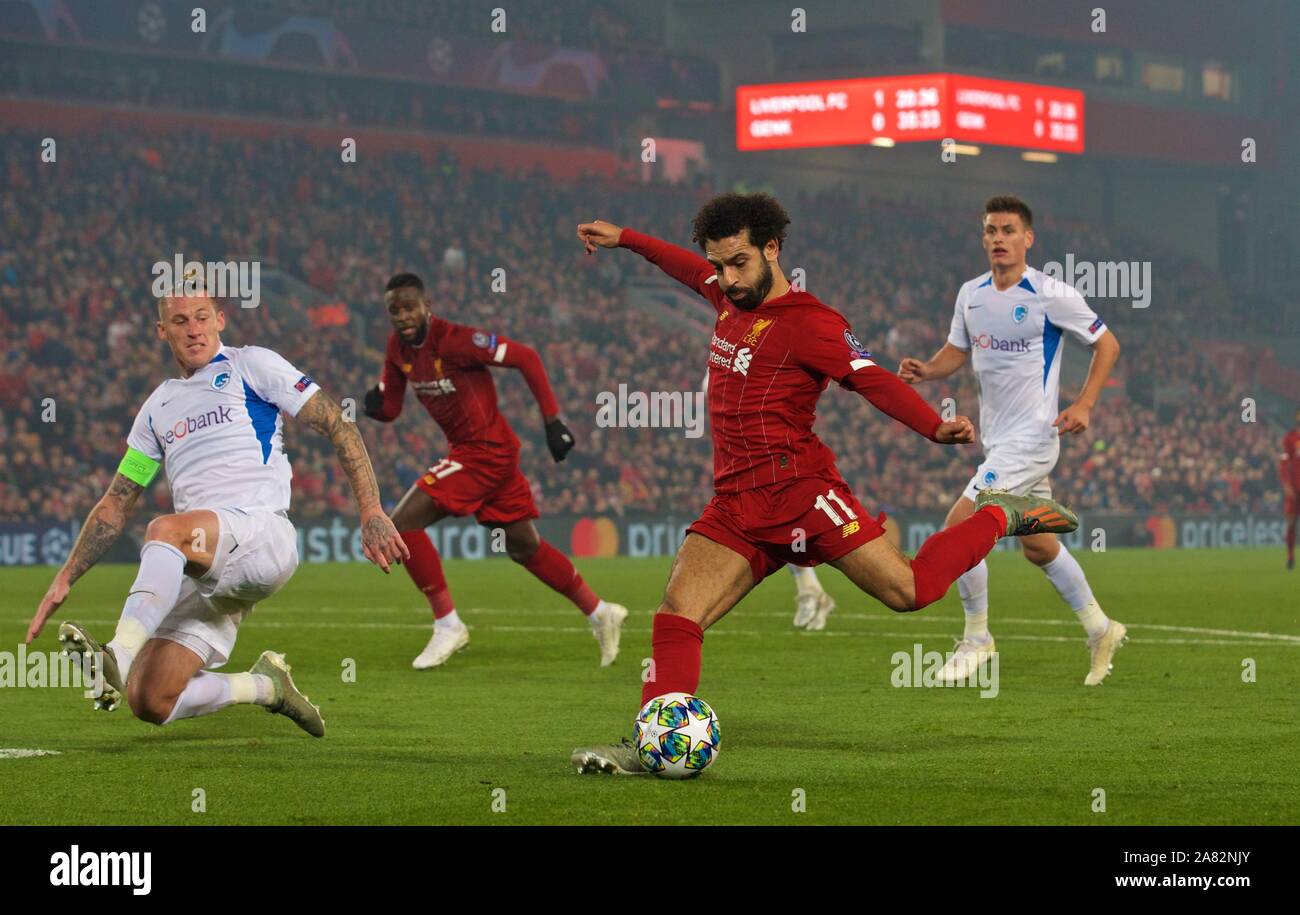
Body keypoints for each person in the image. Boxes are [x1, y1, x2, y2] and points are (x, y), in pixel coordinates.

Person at [569, 193, 1079, 774]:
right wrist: (628, 238)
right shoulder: (722, 293)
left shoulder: (813, 324)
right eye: (718, 265)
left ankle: (1001, 516)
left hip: (805, 496)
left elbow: (873, 380)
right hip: (737, 506)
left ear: (772, 248)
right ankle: (652, 749)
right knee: (675, 616)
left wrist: (934, 427)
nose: (727, 279)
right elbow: (679, 264)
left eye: (738, 263)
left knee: (910, 592)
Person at [26, 288, 408, 737]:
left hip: (262, 535)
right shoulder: (155, 409)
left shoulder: (252, 365)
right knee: (150, 700)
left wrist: (371, 509)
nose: (193, 329)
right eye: (181, 320)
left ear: (220, 319)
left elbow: (336, 424)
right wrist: (66, 575)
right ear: (161, 330)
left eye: (202, 317)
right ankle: (265, 687)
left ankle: (115, 656)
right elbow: (118, 498)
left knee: (164, 529)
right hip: (205, 560)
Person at [899, 195, 1126, 686]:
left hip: (1034, 439)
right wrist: (926, 371)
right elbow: (957, 351)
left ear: (1028, 239)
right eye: (990, 230)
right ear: (983, 238)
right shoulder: (971, 294)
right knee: (1040, 548)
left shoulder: (1050, 294)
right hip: (998, 442)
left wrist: (1084, 404)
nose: (998, 238)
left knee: (958, 527)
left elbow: (1107, 344)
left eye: (1007, 230)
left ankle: (977, 637)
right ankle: (1101, 627)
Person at [362, 273, 627, 669]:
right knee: (523, 546)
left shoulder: (458, 340)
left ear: (426, 305)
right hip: (484, 455)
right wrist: (374, 405)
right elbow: (392, 408)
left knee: (399, 526)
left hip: (483, 453)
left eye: (409, 307)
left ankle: (448, 624)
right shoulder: (397, 349)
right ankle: (599, 611)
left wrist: (553, 421)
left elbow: (527, 357)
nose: (402, 316)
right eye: (394, 310)